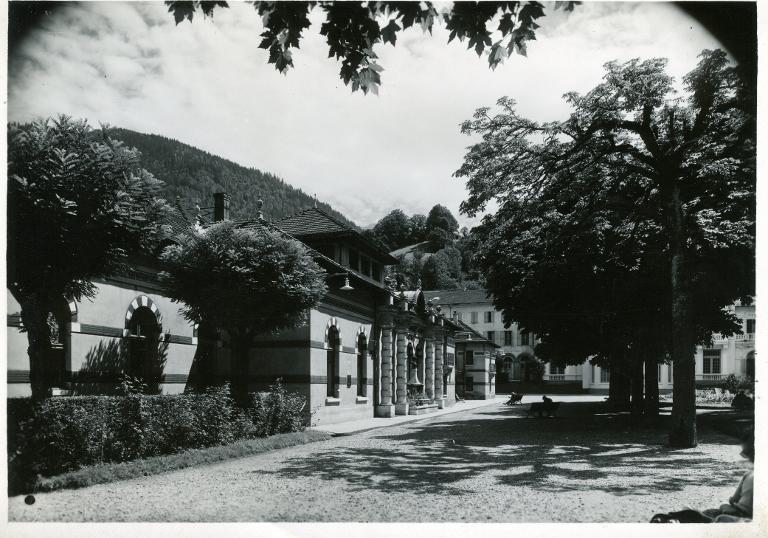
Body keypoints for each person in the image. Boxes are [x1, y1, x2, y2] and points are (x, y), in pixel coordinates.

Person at [651, 428, 754, 523]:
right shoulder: (748, 474)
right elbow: (733, 500)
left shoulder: (751, 475)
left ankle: (687, 519)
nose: (745, 456)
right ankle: (692, 517)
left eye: (748, 453)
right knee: (712, 511)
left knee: (721, 518)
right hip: (735, 512)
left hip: (743, 517)